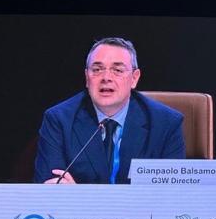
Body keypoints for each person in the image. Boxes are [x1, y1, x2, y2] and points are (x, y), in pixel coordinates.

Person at [34, 37, 185, 184]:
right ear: (87, 78)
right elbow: (50, 188)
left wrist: (77, 194)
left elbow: (172, 194)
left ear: (134, 78)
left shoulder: (165, 124)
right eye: (97, 69)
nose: (106, 77)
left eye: (117, 70)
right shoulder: (59, 120)